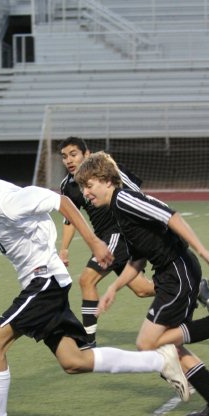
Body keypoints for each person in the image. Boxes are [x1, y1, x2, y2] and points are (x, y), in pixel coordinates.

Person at [0, 145, 189, 416]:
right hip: (38, 283)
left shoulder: (8, 200)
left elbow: (63, 201)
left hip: (45, 280)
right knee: (74, 361)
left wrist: (95, 242)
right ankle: (159, 359)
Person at [74, 151, 209, 416]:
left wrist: (205, 251)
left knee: (147, 343)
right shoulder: (117, 209)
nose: (85, 193)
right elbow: (138, 258)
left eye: (89, 185)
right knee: (166, 346)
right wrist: (113, 289)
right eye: (82, 188)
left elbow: (171, 217)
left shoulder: (125, 199)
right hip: (168, 275)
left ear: (106, 180)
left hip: (178, 272)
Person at [58, 136, 154, 345]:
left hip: (120, 233)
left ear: (87, 154)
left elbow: (139, 196)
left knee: (86, 280)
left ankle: (88, 340)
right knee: (142, 290)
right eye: (64, 157)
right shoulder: (68, 185)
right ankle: (192, 286)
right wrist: (64, 249)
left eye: (73, 154)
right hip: (105, 237)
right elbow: (70, 219)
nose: (69, 160)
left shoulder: (109, 170)